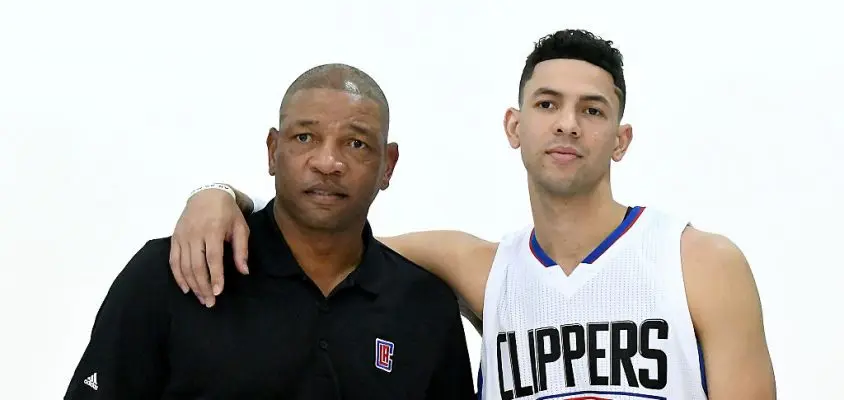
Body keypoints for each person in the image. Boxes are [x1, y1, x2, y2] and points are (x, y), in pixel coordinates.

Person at [169, 30, 776, 399]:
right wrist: (222, 196)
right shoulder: (482, 270)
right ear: (515, 126)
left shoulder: (698, 262)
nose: (567, 122)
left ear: (620, 138)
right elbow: (324, 237)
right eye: (547, 103)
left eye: (592, 110)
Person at [65, 63, 475, 399]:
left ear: (388, 165)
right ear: (272, 151)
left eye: (356, 144)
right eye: (305, 137)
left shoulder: (425, 305)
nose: (327, 161)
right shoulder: (176, 270)